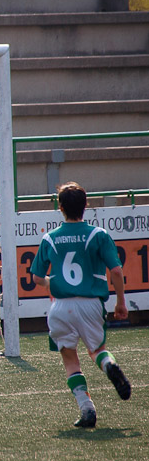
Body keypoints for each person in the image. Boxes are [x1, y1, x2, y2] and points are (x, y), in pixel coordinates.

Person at [29, 181, 131, 428]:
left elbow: (36, 277)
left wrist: (51, 285)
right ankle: (109, 365)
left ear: (60, 207)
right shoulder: (99, 235)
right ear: (86, 206)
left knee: (69, 357)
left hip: (61, 307)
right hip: (91, 304)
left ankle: (87, 410)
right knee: (97, 350)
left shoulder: (50, 238)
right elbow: (116, 271)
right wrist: (120, 303)